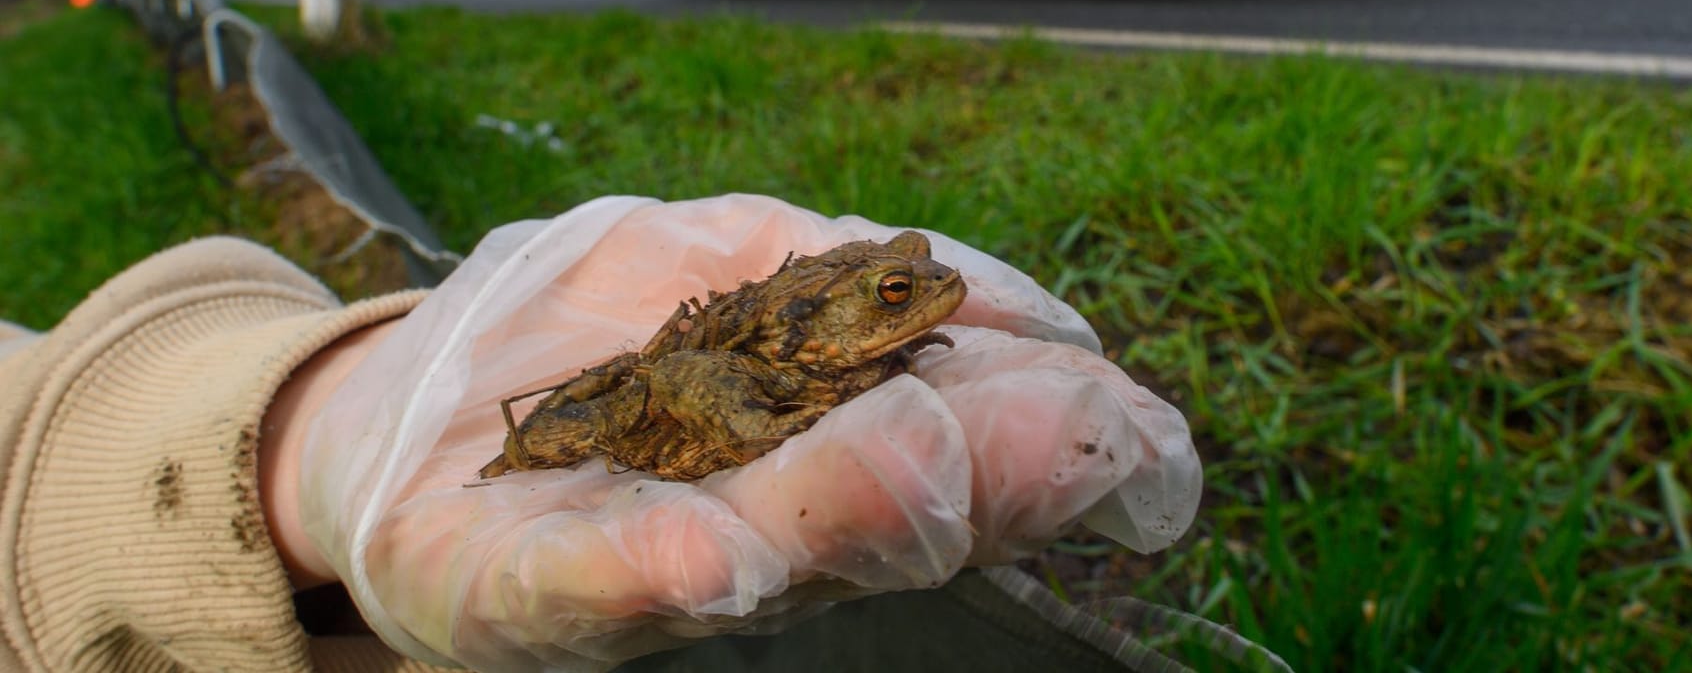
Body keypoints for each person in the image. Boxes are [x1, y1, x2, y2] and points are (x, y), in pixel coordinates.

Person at [0, 193, 1204, 673]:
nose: (924, 299)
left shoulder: (848, 312)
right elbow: (693, 376)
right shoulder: (790, 346)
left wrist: (288, 404)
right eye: (897, 296)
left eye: (913, 284)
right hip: (687, 384)